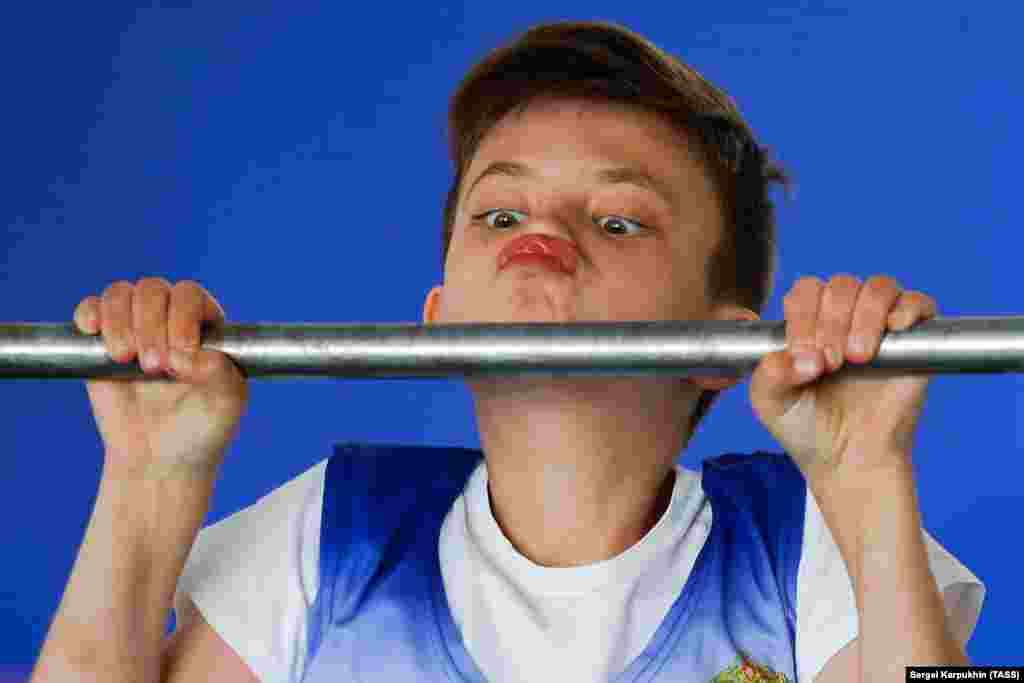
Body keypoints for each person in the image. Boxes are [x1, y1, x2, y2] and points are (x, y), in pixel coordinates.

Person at [30, 20, 984, 683]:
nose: (543, 231)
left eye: (616, 220)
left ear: (726, 347)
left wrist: (868, 484)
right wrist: (147, 480)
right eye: (500, 210)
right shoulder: (334, 533)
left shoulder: (805, 537)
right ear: (441, 317)